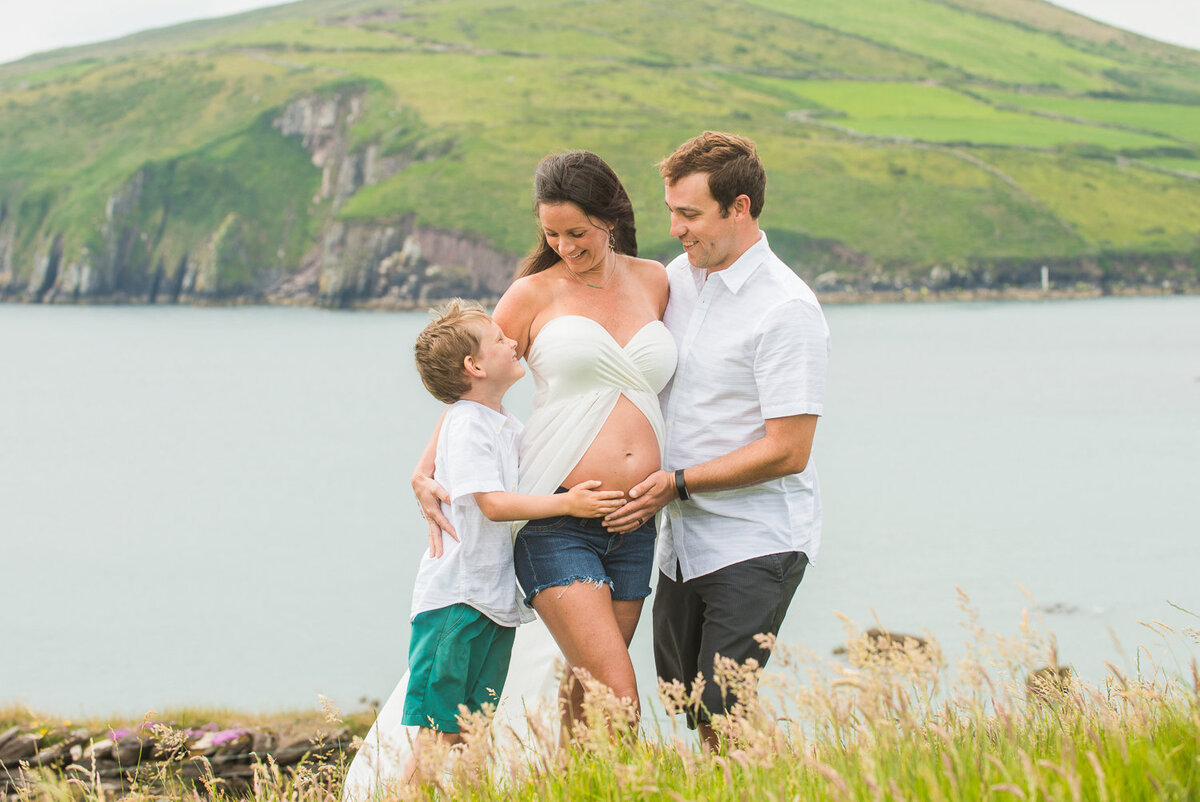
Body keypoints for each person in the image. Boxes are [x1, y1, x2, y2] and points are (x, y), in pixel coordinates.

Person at [416, 151, 674, 732]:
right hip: (557, 517)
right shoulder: (532, 293)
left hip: (634, 522)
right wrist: (425, 466)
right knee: (618, 695)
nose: (564, 245)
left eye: (577, 232)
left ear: (609, 218)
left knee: (590, 689)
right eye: (551, 233)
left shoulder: (656, 281)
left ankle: (569, 783)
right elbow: (471, 385)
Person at [602, 131, 831, 751]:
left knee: (727, 710)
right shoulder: (680, 276)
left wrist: (677, 482)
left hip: (756, 537)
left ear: (740, 209)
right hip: (681, 539)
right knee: (697, 710)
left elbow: (790, 449)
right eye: (672, 211)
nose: (675, 228)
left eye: (690, 214)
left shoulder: (787, 310)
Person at [389, 299, 625, 785]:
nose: (513, 341)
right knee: (438, 735)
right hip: (456, 601)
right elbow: (492, 504)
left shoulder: (505, 425)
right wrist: (569, 505)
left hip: (492, 604)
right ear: (473, 366)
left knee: (471, 732)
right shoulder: (466, 423)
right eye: (499, 340)